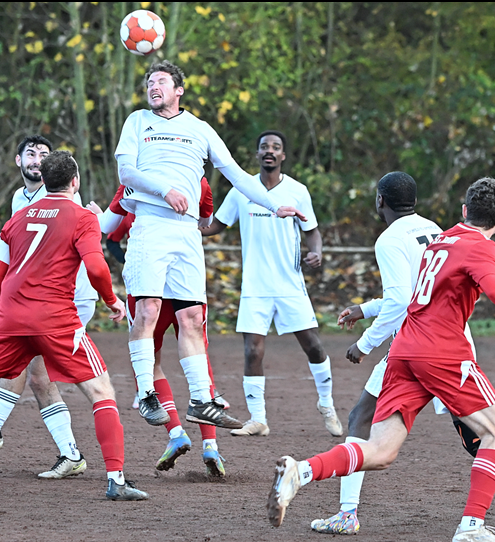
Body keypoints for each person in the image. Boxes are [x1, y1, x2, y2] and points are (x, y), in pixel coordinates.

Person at [266, 177, 495, 542]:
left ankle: (301, 471)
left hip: (405, 349)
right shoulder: (460, 241)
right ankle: (473, 525)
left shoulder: (444, 238)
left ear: (463, 211)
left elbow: (432, 286)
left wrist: (491, 257)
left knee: (381, 451)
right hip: (443, 353)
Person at [0, 150, 148, 502]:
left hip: (10, 319)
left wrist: (7, 312)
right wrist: (112, 300)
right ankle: (115, 480)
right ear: (75, 182)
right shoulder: (83, 217)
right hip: (55, 319)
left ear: (45, 180)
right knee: (102, 393)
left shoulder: (18, 218)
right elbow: (97, 268)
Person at [111, 60, 305, 429]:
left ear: (178, 90)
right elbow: (127, 173)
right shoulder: (137, 121)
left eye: (161, 81)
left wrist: (273, 204)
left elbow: (236, 174)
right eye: (149, 82)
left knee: (192, 318)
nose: (153, 87)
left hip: (187, 232)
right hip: (151, 225)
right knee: (148, 310)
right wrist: (165, 190)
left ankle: (201, 400)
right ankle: (147, 393)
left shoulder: (199, 128)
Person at [0, 135, 96, 479]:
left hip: (67, 297)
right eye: (31, 153)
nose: (37, 159)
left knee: (25, 367)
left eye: (44, 154)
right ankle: (67, 454)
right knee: (36, 375)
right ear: (18, 160)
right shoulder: (19, 197)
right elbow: (10, 240)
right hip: (39, 299)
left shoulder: (58, 196)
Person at [200, 130, 343, 438]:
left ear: (283, 156)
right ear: (257, 154)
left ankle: (327, 404)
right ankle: (258, 419)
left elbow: (312, 231)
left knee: (314, 347)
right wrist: (184, 223)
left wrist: (316, 252)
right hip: (255, 286)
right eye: (264, 146)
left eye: (276, 147)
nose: (269, 151)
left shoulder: (297, 191)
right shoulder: (242, 190)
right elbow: (215, 226)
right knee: (252, 351)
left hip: (290, 284)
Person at [90, 180, 231, 477]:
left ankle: (176, 433)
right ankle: (211, 446)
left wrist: (94, 216)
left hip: (148, 281)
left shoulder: (133, 179)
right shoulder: (198, 179)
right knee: (198, 357)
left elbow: (107, 228)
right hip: (184, 277)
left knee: (148, 360)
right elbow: (205, 221)